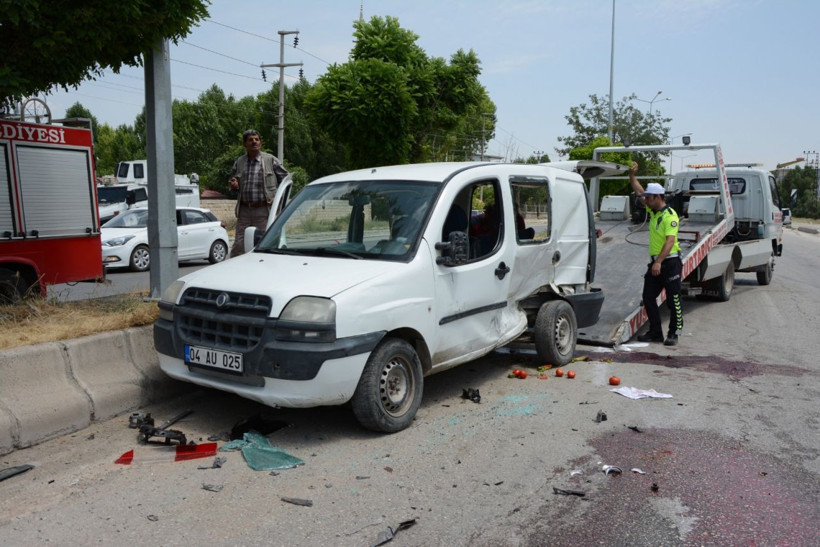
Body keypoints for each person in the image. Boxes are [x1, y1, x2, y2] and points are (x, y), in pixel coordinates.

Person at [628, 161, 683, 346]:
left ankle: (674, 333)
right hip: (656, 262)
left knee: (674, 299)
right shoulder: (653, 212)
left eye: (648, 198)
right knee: (648, 296)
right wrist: (632, 176)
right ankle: (655, 332)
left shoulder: (670, 216)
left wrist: (659, 262)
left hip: (670, 262)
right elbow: (639, 191)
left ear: (657, 197)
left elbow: (670, 241)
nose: (645, 200)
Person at [228, 129, 289, 257]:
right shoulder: (239, 162)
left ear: (261, 143)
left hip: (264, 210)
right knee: (239, 245)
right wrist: (234, 185)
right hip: (244, 210)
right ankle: (237, 268)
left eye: (256, 139)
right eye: (250, 140)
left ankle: (267, 266)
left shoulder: (270, 160)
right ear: (244, 144)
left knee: (265, 243)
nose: (254, 142)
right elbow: (233, 182)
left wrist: (277, 197)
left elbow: (286, 180)